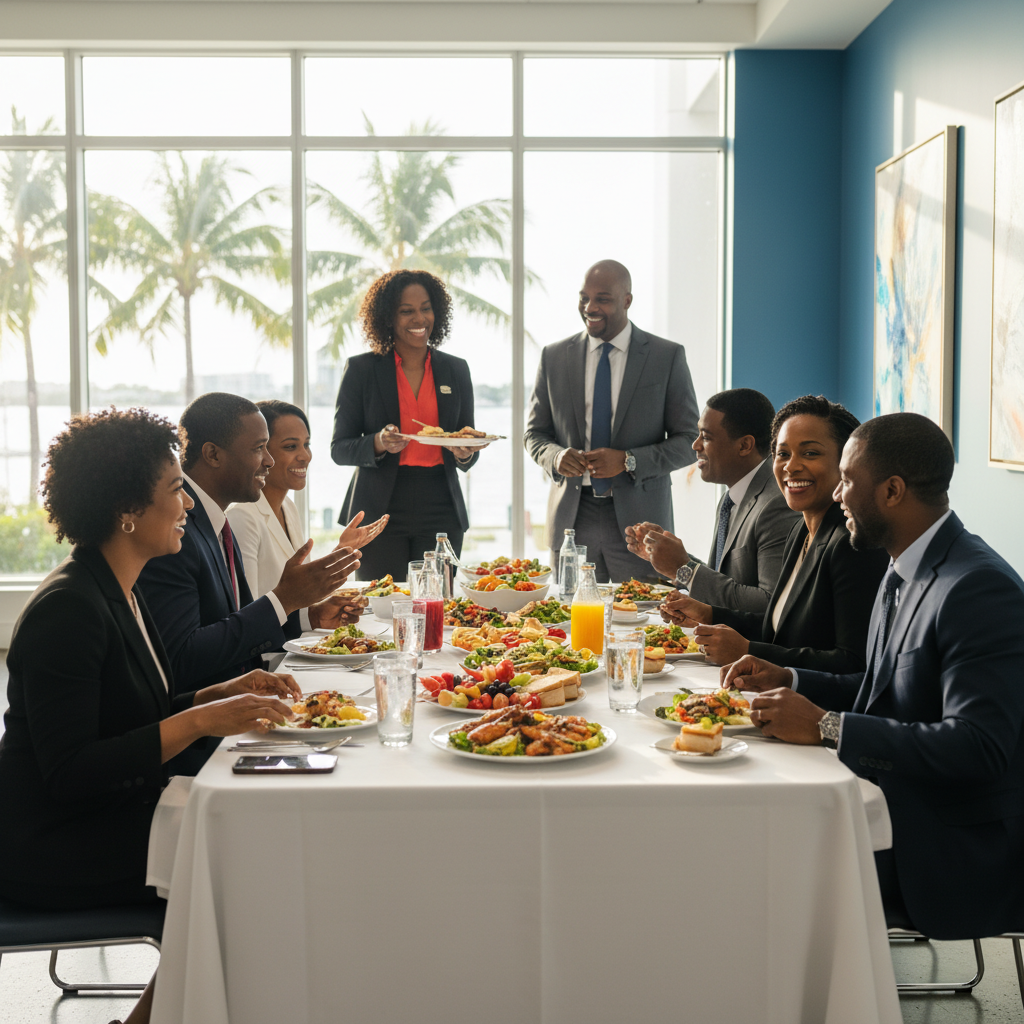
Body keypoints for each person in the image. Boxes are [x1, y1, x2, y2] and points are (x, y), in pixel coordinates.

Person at [0, 408, 300, 1024]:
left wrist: (218, 694)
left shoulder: (121, 588)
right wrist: (198, 722)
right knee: (243, 862)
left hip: (105, 815)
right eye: (174, 492)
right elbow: (71, 770)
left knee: (250, 841)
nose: (187, 507)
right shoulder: (69, 609)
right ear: (126, 512)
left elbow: (140, 708)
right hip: (55, 843)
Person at [724, 412, 1024, 940]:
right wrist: (790, 679)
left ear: (891, 491)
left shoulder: (978, 590)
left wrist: (828, 727)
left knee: (752, 858)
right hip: (890, 799)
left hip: (946, 843)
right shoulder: (902, 563)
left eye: (847, 480)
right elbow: (880, 690)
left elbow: (979, 747)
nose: (838, 495)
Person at [138, 393, 361, 698]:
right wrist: (283, 599)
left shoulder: (217, 522)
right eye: (259, 449)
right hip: (211, 720)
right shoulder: (177, 530)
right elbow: (181, 658)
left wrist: (310, 616)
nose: (268, 460)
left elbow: (237, 622)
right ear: (213, 455)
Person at [675, 395, 888, 672]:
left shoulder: (852, 544)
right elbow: (780, 626)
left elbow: (853, 664)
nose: (791, 466)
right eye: (783, 454)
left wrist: (749, 650)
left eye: (810, 453)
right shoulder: (801, 530)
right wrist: (710, 613)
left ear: (845, 462)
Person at [524, 259, 700, 583]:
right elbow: (535, 434)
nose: (590, 307)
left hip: (642, 527)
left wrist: (629, 460)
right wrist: (556, 456)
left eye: (602, 298)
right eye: (584, 298)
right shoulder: (554, 357)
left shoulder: (666, 356)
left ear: (626, 301)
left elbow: (690, 440)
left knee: (643, 622)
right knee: (569, 621)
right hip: (572, 519)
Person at [331, 270, 484, 581]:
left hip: (442, 505)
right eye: (407, 310)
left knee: (436, 605)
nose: (419, 318)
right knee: (383, 605)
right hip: (380, 506)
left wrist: (465, 452)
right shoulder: (362, 369)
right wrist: (378, 442)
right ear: (388, 316)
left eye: (426, 308)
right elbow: (339, 448)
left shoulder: (456, 369)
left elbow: (465, 441)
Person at [625, 388, 799, 615]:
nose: (695, 445)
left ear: (745, 445)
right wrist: (669, 557)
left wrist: (683, 567)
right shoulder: (731, 497)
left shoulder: (776, 504)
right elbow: (726, 582)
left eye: (706, 437)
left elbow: (769, 604)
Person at [227, 399, 388, 599]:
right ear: (261, 450)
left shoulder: (288, 508)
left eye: (306, 444)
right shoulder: (241, 518)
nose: (305, 456)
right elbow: (246, 611)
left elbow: (304, 589)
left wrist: (342, 550)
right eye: (291, 446)